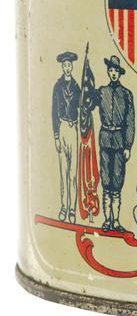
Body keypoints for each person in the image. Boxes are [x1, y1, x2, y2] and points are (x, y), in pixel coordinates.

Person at [91, 55, 135, 232]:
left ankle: (115, 221)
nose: (113, 73)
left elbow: (130, 122)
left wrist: (128, 146)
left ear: (119, 73)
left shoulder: (126, 94)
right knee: (106, 181)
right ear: (108, 72)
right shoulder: (101, 92)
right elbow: (87, 103)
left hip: (119, 141)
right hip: (105, 139)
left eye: (116, 70)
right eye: (111, 70)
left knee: (117, 183)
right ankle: (106, 220)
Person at [52, 52, 81, 223]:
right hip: (62, 127)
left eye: (69, 65)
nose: (67, 68)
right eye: (65, 65)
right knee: (63, 172)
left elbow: (82, 107)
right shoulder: (57, 86)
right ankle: (63, 206)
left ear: (72, 66)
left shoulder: (77, 86)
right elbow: (54, 112)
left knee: (73, 173)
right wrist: (56, 136)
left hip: (73, 128)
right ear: (62, 67)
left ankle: (72, 209)